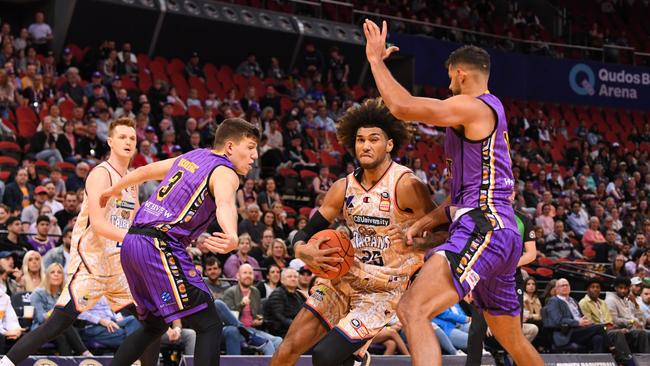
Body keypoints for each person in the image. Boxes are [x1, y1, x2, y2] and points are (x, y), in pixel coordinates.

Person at [363, 21, 543, 365]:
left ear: (461, 74)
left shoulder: (473, 106)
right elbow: (461, 196)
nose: (447, 85)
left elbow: (402, 106)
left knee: (412, 309)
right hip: (498, 231)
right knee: (512, 339)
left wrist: (375, 61)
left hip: (485, 226)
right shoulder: (486, 115)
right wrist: (426, 222)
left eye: (449, 78)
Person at [270, 98, 435, 366]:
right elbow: (306, 232)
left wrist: (414, 243)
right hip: (343, 277)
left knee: (324, 356)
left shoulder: (407, 185)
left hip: (383, 290)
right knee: (287, 349)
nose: (366, 146)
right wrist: (302, 250)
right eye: (360, 140)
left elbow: (446, 232)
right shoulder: (342, 187)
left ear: (389, 144)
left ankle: (352, 358)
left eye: (374, 139)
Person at [100, 118, 260, 365]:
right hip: (159, 244)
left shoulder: (193, 156)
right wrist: (232, 234)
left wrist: (113, 190)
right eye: (250, 148)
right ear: (230, 147)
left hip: (133, 243)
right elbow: (226, 203)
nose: (255, 156)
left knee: (154, 325)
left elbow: (143, 172)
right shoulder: (225, 171)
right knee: (209, 323)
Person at [0, 118, 159, 366]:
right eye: (122, 137)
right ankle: (6, 363)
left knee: (152, 322)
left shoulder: (131, 180)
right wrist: (137, 238)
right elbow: (97, 224)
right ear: (110, 141)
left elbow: (137, 221)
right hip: (91, 262)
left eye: (132, 138)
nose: (128, 142)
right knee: (57, 323)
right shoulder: (100, 174)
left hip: (118, 265)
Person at [29, 263, 90, 357]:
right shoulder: (37, 293)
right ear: (47, 276)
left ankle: (68, 361)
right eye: (52, 272)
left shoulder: (66, 294)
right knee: (62, 322)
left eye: (59, 272)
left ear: (63, 277)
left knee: (61, 332)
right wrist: (57, 311)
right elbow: (40, 318)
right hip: (41, 329)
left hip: (60, 330)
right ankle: (85, 353)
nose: (56, 274)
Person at [579, 278, 644, 363]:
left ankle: (645, 359)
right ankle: (628, 361)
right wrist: (613, 327)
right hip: (598, 332)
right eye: (592, 287)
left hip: (610, 329)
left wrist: (635, 304)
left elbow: (609, 320)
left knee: (642, 333)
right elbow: (590, 324)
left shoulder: (603, 302)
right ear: (587, 289)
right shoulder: (583, 303)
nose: (595, 289)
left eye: (598, 287)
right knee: (618, 333)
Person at [542, 278, 608, 353]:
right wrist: (578, 322)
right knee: (600, 327)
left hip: (580, 329)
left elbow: (581, 317)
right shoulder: (554, 301)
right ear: (556, 289)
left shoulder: (573, 301)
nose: (565, 287)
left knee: (598, 338)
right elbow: (558, 320)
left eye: (567, 285)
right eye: (562, 286)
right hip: (568, 332)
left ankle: (598, 362)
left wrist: (586, 321)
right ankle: (614, 349)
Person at [77, 296, 141, 349]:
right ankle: (130, 345)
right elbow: (78, 313)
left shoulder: (105, 290)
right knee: (128, 335)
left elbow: (109, 309)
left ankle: (129, 345)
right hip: (94, 325)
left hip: (112, 321)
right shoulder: (86, 293)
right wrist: (100, 320)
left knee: (135, 320)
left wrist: (116, 316)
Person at [264, 267, 304, 337]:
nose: (293, 279)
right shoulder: (277, 294)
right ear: (282, 280)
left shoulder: (298, 295)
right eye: (289, 277)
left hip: (295, 328)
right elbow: (279, 317)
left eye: (295, 277)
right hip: (280, 330)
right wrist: (297, 326)